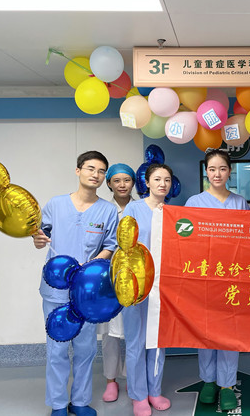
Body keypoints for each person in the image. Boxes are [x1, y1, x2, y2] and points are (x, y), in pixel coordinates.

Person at [33, 151, 118, 416]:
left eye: (101, 171)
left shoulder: (107, 210)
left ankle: (80, 401)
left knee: (86, 349)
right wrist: (37, 240)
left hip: (88, 294)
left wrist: (89, 270)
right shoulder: (56, 204)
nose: (96, 174)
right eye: (91, 168)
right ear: (78, 170)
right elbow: (41, 235)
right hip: (56, 291)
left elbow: (110, 246)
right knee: (56, 349)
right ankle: (58, 404)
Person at [185, 148, 250, 412]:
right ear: (206, 172)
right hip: (204, 277)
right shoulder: (194, 202)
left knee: (229, 332)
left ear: (229, 172)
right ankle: (208, 380)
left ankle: (226, 384)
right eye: (212, 169)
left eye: (222, 169)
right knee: (206, 330)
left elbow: (248, 240)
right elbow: (185, 239)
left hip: (232, 277)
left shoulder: (239, 202)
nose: (217, 174)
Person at [121, 163, 174, 416]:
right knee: (136, 341)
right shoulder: (133, 208)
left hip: (163, 285)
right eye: (157, 179)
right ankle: (138, 395)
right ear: (148, 182)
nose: (162, 184)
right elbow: (124, 245)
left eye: (167, 180)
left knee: (157, 341)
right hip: (136, 284)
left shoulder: (173, 212)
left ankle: (154, 390)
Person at [99, 163, 136, 402]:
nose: (122, 185)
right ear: (109, 183)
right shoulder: (102, 209)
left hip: (136, 277)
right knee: (109, 333)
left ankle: (134, 377)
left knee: (135, 331)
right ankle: (111, 380)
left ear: (133, 183)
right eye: (117, 180)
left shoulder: (141, 207)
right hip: (108, 277)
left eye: (127, 180)